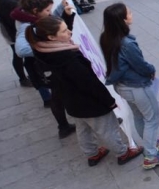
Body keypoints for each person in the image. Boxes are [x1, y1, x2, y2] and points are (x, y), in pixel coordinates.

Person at [26, 16, 144, 166]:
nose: (69, 32)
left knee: (83, 129)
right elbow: (90, 83)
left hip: (71, 102)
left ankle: (92, 154)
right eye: (64, 30)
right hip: (90, 103)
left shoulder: (42, 51)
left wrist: (68, 16)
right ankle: (122, 153)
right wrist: (109, 101)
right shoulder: (68, 58)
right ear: (51, 37)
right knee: (107, 129)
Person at [101, 3, 159, 169]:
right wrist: (151, 70)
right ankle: (151, 156)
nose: (132, 14)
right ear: (122, 19)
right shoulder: (126, 43)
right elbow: (140, 65)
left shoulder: (107, 37)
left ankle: (151, 143)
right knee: (152, 118)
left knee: (140, 117)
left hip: (123, 86)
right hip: (137, 86)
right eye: (129, 13)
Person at [12, 0, 77, 137]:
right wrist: (49, 47)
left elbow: (51, 19)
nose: (50, 12)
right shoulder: (26, 25)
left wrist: (61, 9)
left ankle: (64, 126)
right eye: (47, 10)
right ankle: (65, 125)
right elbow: (21, 50)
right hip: (46, 68)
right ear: (35, 11)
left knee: (58, 96)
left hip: (48, 67)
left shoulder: (34, 18)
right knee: (59, 96)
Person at [0, 0, 33, 87]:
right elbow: (19, 5)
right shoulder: (4, 1)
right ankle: (23, 78)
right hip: (13, 31)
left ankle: (26, 76)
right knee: (18, 54)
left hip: (16, 29)